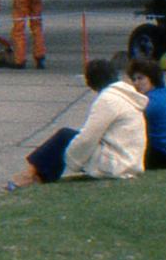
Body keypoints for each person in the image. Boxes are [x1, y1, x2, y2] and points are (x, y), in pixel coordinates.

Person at [8, 57, 146, 186]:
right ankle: (37, 175)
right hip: (130, 161)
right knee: (69, 138)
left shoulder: (108, 99)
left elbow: (89, 136)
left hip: (116, 164)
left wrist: (72, 157)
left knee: (64, 137)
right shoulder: (125, 95)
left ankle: (29, 174)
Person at [129, 57, 166, 170]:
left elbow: (129, 119)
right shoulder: (163, 94)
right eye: (134, 79)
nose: (136, 83)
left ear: (152, 79)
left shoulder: (151, 101)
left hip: (161, 154)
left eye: (140, 78)